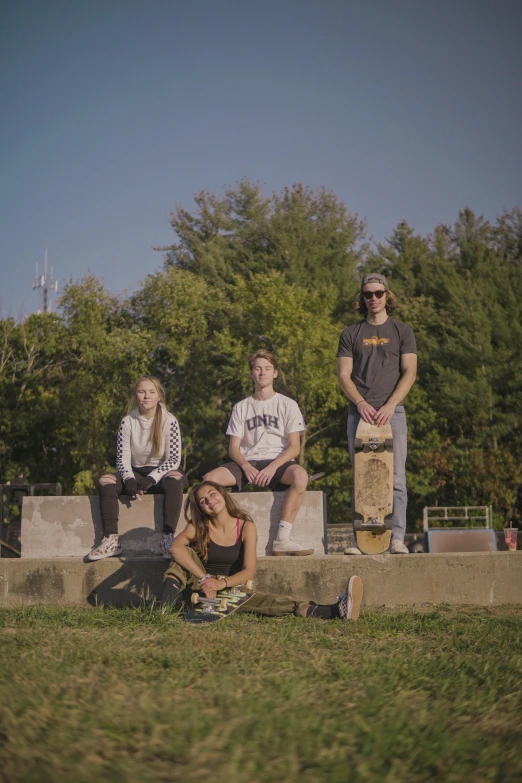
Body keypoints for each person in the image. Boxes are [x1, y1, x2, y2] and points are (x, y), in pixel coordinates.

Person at [162, 481, 363, 621]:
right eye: (203, 501)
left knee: (268, 602)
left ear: (222, 494)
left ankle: (334, 611)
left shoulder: (246, 526)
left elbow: (249, 572)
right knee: (182, 555)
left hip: (229, 590)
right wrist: (205, 579)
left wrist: (220, 584)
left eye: (212, 494)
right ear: (201, 508)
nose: (209, 500)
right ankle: (166, 608)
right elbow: (175, 547)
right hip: (202, 588)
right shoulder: (198, 527)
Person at [337, 273, 417, 555]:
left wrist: (390, 406)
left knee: (395, 478)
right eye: (368, 294)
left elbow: (410, 372)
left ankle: (396, 538)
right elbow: (344, 375)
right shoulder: (350, 334)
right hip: (359, 415)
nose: (374, 298)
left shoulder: (402, 332)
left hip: (392, 414)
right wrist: (360, 403)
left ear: (387, 295)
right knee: (362, 476)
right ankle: (362, 540)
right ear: (362, 298)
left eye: (379, 293)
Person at [203, 350, 313, 556]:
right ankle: (219, 534)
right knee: (209, 480)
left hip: (278, 462)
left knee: (300, 476)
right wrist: (246, 466)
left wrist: (273, 467)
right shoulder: (241, 407)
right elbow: (233, 448)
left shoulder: (288, 404)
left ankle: (283, 539)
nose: (262, 373)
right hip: (248, 462)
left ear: (275, 373)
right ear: (251, 373)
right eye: (258, 368)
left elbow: (294, 447)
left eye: (267, 368)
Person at [87, 376, 188, 561]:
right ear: (136, 396)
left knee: (175, 479)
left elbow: (174, 459)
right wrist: (129, 479)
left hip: (162, 473)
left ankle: (167, 538)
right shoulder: (127, 421)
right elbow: (122, 458)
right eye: (142, 392)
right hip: (135, 471)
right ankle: (111, 540)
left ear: (159, 396)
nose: (146, 396)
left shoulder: (169, 421)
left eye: (151, 392)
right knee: (106, 481)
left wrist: (151, 479)